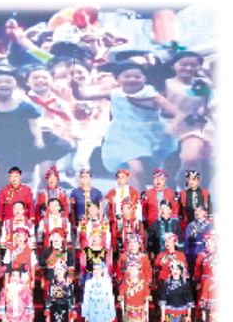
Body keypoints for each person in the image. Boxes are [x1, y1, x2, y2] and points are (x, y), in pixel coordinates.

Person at [73, 62, 180, 192]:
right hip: (123, 137)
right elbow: (82, 95)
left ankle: (140, 197)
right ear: (117, 79)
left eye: (137, 76)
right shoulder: (115, 93)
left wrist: (173, 126)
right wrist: (76, 86)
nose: (132, 79)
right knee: (136, 169)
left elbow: (175, 112)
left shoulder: (152, 95)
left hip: (150, 137)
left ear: (144, 78)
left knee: (141, 172)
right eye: (127, 76)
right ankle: (138, 200)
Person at [164, 51, 213, 187]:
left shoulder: (203, 84)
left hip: (193, 126)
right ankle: (175, 186)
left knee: (191, 158)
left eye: (193, 65)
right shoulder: (165, 83)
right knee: (169, 166)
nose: (188, 68)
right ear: (174, 65)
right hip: (168, 125)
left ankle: (194, 192)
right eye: (183, 64)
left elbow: (209, 104)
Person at [184, 204, 213, 276]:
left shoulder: (209, 225)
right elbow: (187, 242)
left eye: (200, 211)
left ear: (205, 212)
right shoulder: (190, 226)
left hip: (204, 252)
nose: (197, 212)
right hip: (192, 253)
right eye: (196, 210)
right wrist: (187, 254)